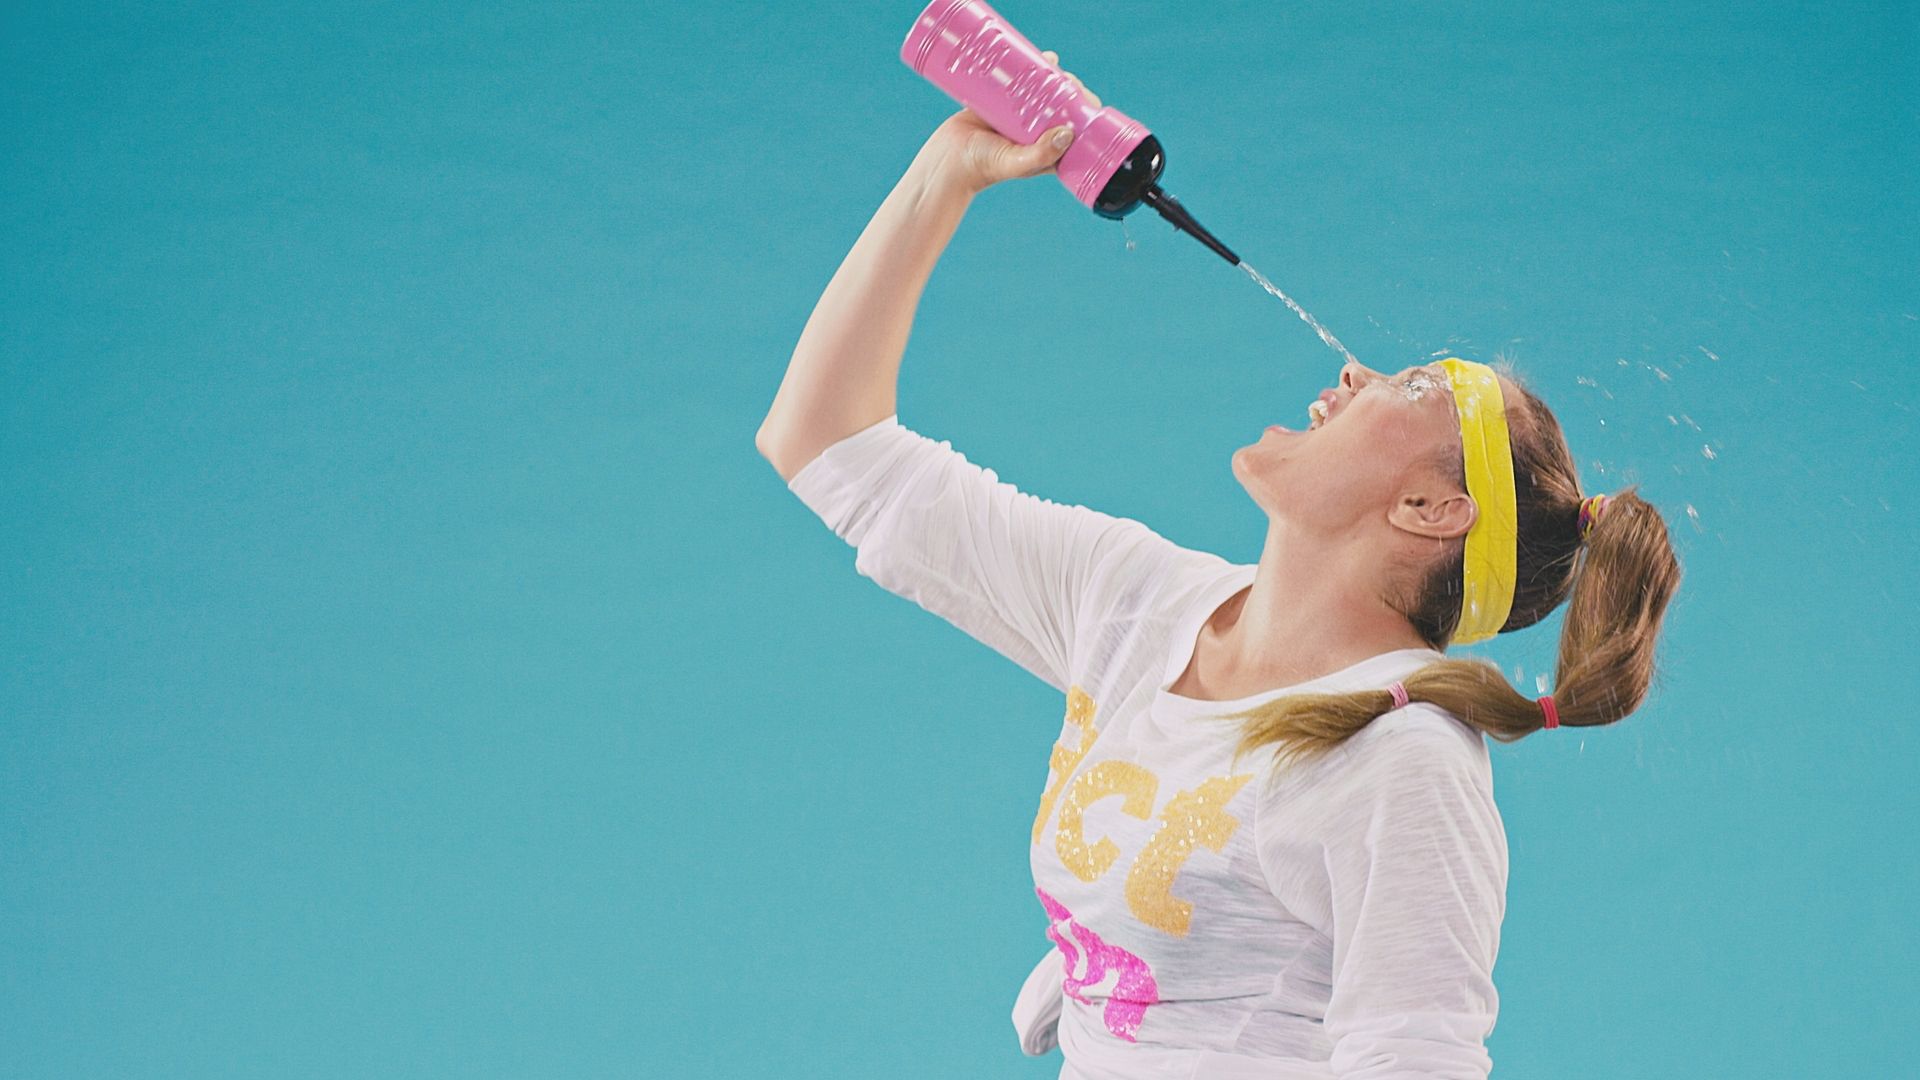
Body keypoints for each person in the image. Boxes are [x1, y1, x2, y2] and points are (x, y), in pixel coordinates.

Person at [755, 51, 1682, 1080]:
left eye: (1414, 387)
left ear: (1431, 510)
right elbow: (826, 444)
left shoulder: (1403, 759)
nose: (1355, 372)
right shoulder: (1137, 600)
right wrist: (947, 174)